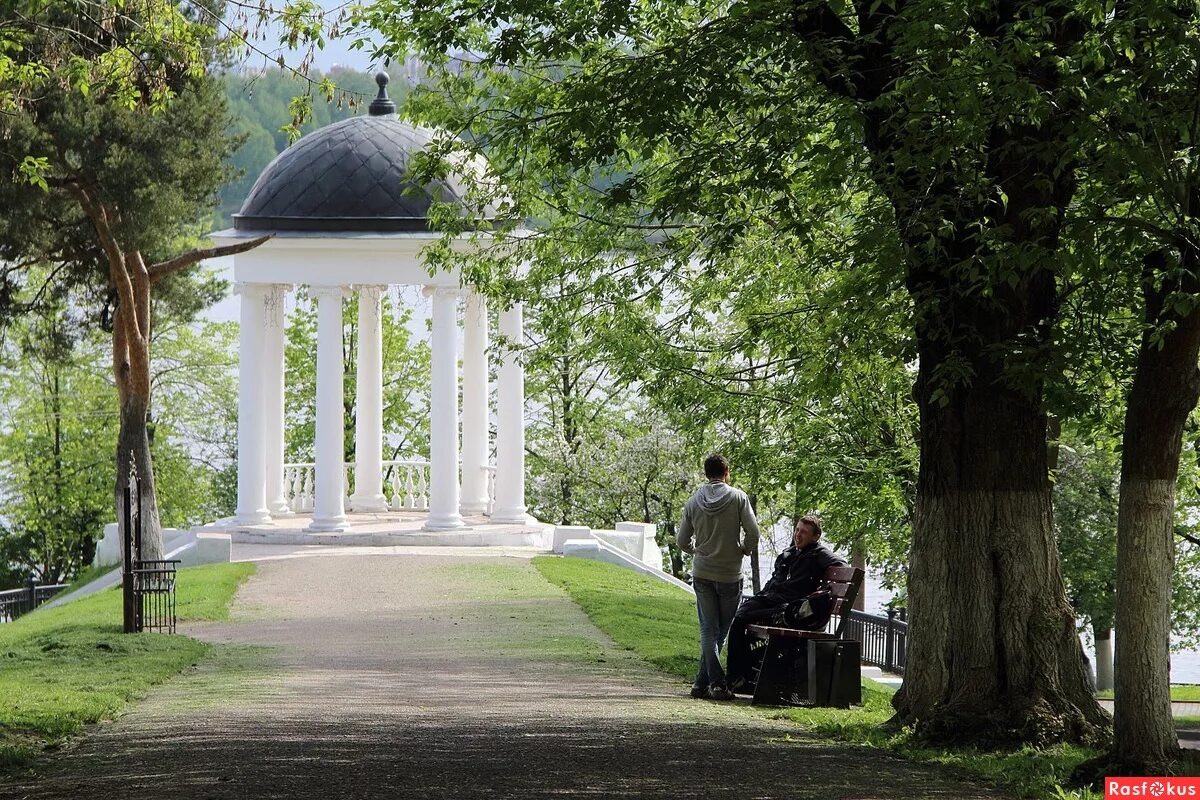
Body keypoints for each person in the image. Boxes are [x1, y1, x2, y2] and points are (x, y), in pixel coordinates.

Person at [725, 514, 847, 693]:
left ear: (815, 536)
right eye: (797, 530)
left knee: (741, 621)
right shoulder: (789, 554)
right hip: (769, 600)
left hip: (788, 609)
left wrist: (820, 592)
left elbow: (841, 565)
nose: (798, 535)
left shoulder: (818, 554)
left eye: (804, 532)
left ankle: (737, 677)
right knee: (738, 618)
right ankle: (741, 677)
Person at [677, 453, 760, 701]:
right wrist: (744, 550)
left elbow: (682, 541)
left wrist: (697, 550)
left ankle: (700, 684)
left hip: (703, 572)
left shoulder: (693, 501)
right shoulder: (738, 498)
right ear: (727, 472)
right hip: (730, 574)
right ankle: (717, 684)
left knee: (708, 629)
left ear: (706, 473)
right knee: (720, 631)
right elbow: (753, 532)